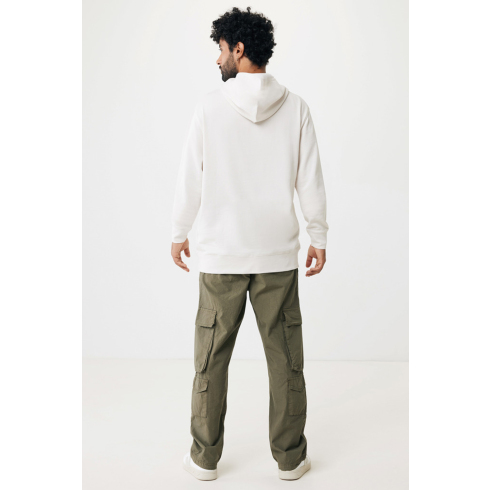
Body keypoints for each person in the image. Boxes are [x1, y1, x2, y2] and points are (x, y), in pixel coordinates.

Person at [172, 6, 328, 481]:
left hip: (221, 254)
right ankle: (290, 458)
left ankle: (204, 458)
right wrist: (317, 235)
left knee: (210, 359)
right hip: (276, 256)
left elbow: (190, 178)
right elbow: (310, 179)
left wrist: (179, 232)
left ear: (239, 49)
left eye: (221, 49)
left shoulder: (209, 107)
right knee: (286, 360)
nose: (218, 58)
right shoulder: (296, 107)